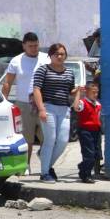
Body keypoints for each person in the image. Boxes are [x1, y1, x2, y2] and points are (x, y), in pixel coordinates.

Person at [1, 32, 50, 174]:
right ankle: (25, 165)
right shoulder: (16, 61)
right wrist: (4, 102)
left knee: (47, 137)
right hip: (23, 104)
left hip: (44, 103)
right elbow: (7, 83)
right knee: (26, 138)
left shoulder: (46, 58)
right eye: (30, 46)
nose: (34, 49)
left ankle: (45, 163)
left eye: (36, 45)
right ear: (24, 46)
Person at [32, 43, 80, 183]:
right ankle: (44, 173)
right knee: (50, 139)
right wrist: (41, 109)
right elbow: (36, 90)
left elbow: (70, 91)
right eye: (56, 54)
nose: (59, 56)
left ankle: (45, 160)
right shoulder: (43, 70)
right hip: (48, 108)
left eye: (62, 54)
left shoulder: (69, 72)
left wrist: (77, 91)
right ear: (50, 55)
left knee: (63, 141)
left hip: (64, 109)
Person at [74, 81, 102, 184]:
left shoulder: (98, 104)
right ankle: (86, 174)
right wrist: (78, 93)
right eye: (93, 92)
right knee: (89, 154)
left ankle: (83, 168)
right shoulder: (83, 102)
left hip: (96, 131)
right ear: (87, 92)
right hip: (85, 131)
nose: (95, 94)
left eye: (97, 92)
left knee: (96, 154)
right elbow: (76, 107)